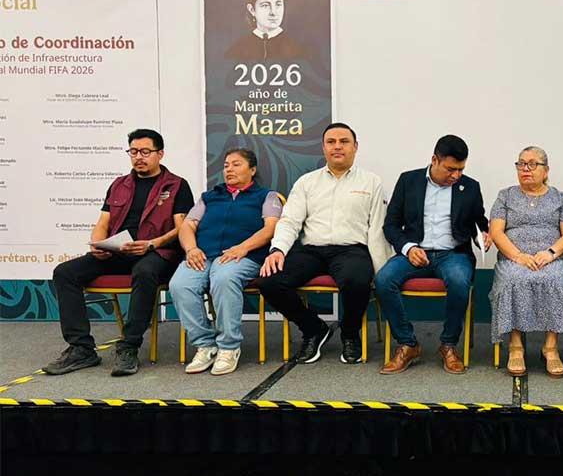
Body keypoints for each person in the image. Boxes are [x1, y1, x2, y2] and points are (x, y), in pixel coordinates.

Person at [43, 129, 194, 377]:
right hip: (118, 251)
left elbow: (182, 227)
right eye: (133, 152)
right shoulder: (119, 185)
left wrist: (151, 244)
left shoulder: (177, 185)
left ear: (160, 154)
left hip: (158, 253)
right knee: (65, 272)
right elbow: (103, 221)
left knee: (144, 272)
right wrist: (98, 244)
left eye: (145, 152)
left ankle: (129, 347)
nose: (138, 157)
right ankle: (81, 348)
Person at [257, 122, 391, 365]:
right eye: (331, 142)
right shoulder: (306, 182)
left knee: (356, 280)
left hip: (351, 250)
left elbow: (376, 229)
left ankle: (350, 333)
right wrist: (277, 250)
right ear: (323, 148)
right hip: (311, 250)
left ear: (355, 147)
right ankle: (313, 329)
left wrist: (381, 270)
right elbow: (289, 221)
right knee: (270, 281)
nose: (337, 146)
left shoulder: (371, 182)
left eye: (344, 141)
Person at [377, 135, 490, 375]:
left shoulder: (470, 187)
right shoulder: (408, 181)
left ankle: (448, 345)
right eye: (450, 169)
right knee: (384, 280)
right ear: (434, 160)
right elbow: (391, 225)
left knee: (459, 281)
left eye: (461, 169)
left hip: (453, 253)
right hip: (414, 252)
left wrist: (483, 235)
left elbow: (479, 222)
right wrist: (408, 248)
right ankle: (407, 344)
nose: (456, 175)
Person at [170, 149, 283, 375]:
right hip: (204, 255)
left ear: (252, 170)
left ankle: (229, 347)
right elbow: (187, 226)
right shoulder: (209, 197)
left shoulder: (267, 196)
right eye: (226, 165)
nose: (229, 169)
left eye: (236, 164)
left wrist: (243, 247)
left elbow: (271, 228)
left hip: (245, 256)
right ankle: (205, 344)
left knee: (223, 277)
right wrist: (191, 249)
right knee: (180, 284)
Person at [489, 146, 563, 378]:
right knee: (514, 278)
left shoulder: (560, 198)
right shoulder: (505, 196)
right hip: (514, 258)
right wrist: (518, 256)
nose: (526, 168)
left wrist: (550, 253)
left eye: (533, 164)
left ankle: (550, 347)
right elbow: (496, 232)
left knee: (555, 279)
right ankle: (516, 346)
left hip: (551, 259)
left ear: (546, 170)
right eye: (521, 164)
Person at [224, 0, 305, 61]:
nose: (273, 12)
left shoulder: (298, 50)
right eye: (265, 5)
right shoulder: (237, 50)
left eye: (278, 5)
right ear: (252, 10)